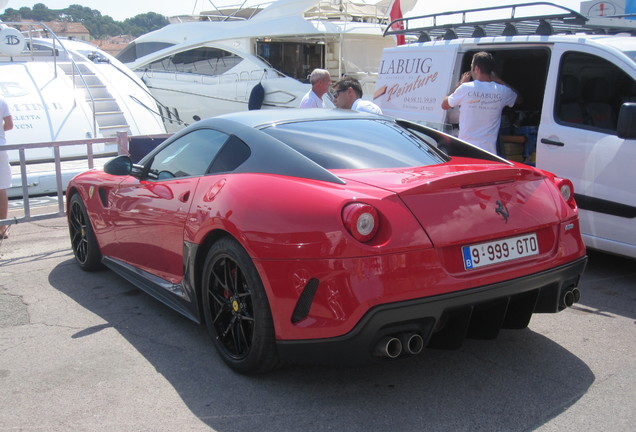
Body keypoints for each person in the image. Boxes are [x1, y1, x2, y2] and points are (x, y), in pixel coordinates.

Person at [441, 51, 520, 155]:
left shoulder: (465, 88)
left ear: (476, 68)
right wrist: (498, 80)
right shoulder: (502, 91)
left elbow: (444, 105)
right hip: (489, 152)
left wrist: (460, 84)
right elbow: (518, 99)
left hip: (466, 149)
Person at [1, 95, 14, 239]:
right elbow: (9, 125)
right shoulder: (2, 100)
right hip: (1, 146)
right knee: (1, 187)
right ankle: (2, 228)